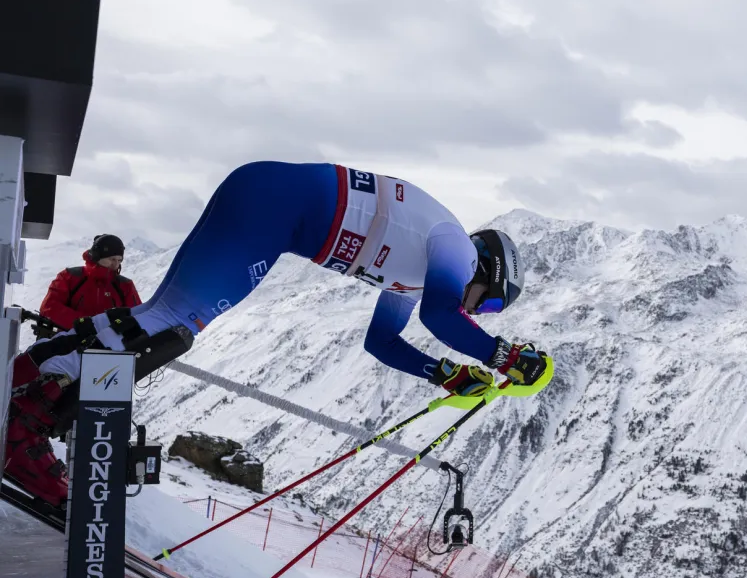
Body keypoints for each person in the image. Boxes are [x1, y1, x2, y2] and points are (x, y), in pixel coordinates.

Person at [3, 161, 548, 507]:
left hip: (269, 200)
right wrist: (507, 356)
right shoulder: (454, 244)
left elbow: (381, 341)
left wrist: (443, 372)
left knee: (161, 317)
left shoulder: (418, 271)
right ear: (489, 270)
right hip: (276, 212)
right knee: (171, 327)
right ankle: (25, 426)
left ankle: (27, 375)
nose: (483, 312)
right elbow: (443, 318)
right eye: (492, 304)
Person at [34, 234, 143, 339]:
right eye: (112, 259)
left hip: (110, 347)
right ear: (97, 256)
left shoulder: (125, 285)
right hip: (69, 343)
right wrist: (81, 323)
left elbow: (138, 316)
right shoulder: (69, 277)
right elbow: (49, 307)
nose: (116, 265)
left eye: (119, 260)